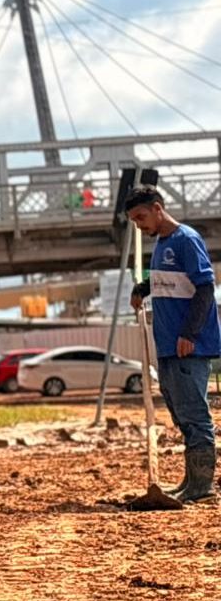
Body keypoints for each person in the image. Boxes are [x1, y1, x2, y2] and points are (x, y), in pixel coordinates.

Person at [128, 185, 219, 503]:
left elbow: (205, 288)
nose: (139, 225)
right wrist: (142, 288)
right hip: (167, 345)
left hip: (188, 345)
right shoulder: (162, 244)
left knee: (194, 414)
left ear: (157, 208)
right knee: (182, 415)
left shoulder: (185, 240)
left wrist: (189, 334)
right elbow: (166, 282)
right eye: (134, 221)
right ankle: (190, 482)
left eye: (141, 217)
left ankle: (202, 486)